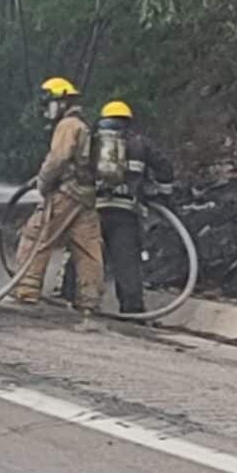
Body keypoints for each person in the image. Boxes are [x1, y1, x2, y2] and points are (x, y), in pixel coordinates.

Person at [11, 77, 105, 310]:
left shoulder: (68, 125)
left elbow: (58, 159)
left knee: (35, 236)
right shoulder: (84, 123)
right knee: (88, 248)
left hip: (65, 194)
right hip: (85, 196)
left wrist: (42, 182)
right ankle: (89, 300)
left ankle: (27, 289)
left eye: (49, 104)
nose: (46, 112)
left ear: (61, 101)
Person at [91, 100, 175, 314]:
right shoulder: (140, 144)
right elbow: (165, 166)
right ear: (128, 122)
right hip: (125, 212)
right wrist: (163, 195)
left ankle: (74, 299)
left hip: (93, 209)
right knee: (126, 263)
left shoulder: (94, 142)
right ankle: (132, 309)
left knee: (85, 256)